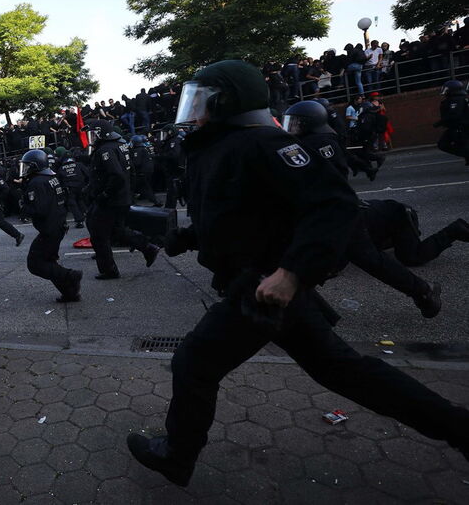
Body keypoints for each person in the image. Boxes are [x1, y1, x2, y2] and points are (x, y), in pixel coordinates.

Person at [127, 59, 469, 486]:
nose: (194, 112)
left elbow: (335, 207)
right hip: (266, 289)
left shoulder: (263, 143)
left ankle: (177, 456)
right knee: (344, 370)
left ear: (227, 102)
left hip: (262, 288)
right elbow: (241, 214)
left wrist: (291, 274)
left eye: (202, 101)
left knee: (194, 363)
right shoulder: (223, 146)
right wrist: (187, 238)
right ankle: (458, 427)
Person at [285, 101, 442, 318]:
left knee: (361, 260)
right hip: (330, 214)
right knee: (360, 260)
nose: (291, 127)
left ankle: (423, 292)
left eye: (295, 123)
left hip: (336, 214)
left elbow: (323, 179)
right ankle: (423, 293)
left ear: (310, 123)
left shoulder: (320, 143)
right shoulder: (313, 142)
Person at [84, 120, 160, 279]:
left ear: (101, 133)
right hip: (121, 197)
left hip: (110, 200)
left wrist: (104, 194)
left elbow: (116, 175)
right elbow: (131, 171)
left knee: (98, 234)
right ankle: (147, 247)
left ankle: (109, 270)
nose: (91, 138)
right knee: (117, 231)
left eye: (93, 134)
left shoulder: (105, 150)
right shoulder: (120, 145)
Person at [19, 150, 83, 303]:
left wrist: (23, 206)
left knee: (35, 263)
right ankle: (70, 293)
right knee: (48, 261)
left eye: (27, 166)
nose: (25, 169)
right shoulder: (51, 177)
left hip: (49, 229)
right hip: (58, 224)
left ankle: (70, 275)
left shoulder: (36, 183)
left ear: (35, 166)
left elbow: (39, 210)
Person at [435, 80, 469, 165]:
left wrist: (441, 122)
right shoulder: (456, 99)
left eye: (446, 89)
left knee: (444, 144)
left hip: (460, 128)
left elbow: (455, 114)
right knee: (444, 144)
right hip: (456, 127)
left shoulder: (457, 100)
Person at [55, 147, 88, 228]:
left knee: (72, 204)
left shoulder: (61, 168)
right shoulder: (79, 165)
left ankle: (79, 221)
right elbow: (88, 174)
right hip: (81, 187)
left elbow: (58, 180)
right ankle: (87, 214)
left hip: (69, 189)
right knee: (80, 200)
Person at [129, 134, 161, 206]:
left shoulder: (137, 150)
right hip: (148, 170)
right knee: (145, 186)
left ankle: (132, 202)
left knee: (136, 186)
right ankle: (155, 201)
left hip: (142, 171)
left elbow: (137, 162)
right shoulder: (144, 148)